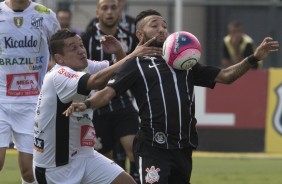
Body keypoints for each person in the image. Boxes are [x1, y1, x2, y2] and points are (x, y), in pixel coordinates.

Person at [63, 9, 279, 184]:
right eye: (154, 25)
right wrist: (87, 103)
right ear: (140, 34)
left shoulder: (184, 61)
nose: (162, 29)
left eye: (165, 25)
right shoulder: (134, 64)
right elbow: (108, 93)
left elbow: (225, 76)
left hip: (183, 147)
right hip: (152, 148)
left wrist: (254, 57)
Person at [32, 28, 162, 184]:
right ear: (59, 59)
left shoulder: (85, 66)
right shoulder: (58, 75)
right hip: (56, 167)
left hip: (84, 156)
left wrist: (120, 52)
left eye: (81, 45)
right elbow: (96, 81)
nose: (81, 50)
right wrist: (134, 54)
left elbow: (120, 70)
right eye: (74, 48)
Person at [0, 0, 60, 184]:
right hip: (0, 100)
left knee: (29, 171)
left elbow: (62, 50)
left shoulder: (45, 14)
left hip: (32, 101)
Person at [81, 0, 140, 182]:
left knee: (133, 148)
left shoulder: (131, 38)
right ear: (97, 12)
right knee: (105, 158)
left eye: (113, 7)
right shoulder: (86, 38)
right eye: (104, 8)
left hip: (121, 100)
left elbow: (137, 67)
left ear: (120, 11)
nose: (109, 12)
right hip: (96, 103)